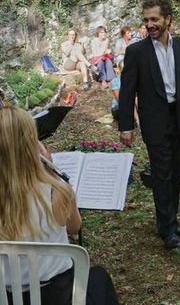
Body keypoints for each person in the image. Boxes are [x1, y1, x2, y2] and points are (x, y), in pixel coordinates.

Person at [0, 105, 119, 304]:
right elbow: (75, 228)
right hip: (59, 296)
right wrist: (53, 172)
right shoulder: (57, 190)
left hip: (7, 297)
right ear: (32, 145)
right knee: (99, 277)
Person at [119, 0, 180, 249]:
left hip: (179, 118)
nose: (150, 24)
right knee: (161, 174)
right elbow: (127, 91)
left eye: (154, 19)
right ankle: (166, 228)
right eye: (146, 20)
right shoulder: (136, 52)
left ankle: (173, 219)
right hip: (154, 121)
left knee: (176, 172)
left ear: (168, 19)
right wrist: (126, 125)